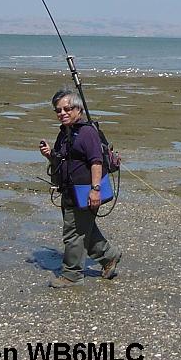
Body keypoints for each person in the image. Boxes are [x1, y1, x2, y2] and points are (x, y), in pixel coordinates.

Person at [39, 89, 122, 287]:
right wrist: (49, 154)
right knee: (85, 229)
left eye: (67, 109)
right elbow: (62, 160)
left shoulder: (87, 133)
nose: (62, 113)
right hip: (69, 191)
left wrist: (95, 190)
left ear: (79, 109)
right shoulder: (65, 132)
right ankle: (109, 256)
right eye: (58, 110)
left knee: (73, 233)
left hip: (86, 192)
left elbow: (96, 162)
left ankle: (72, 274)